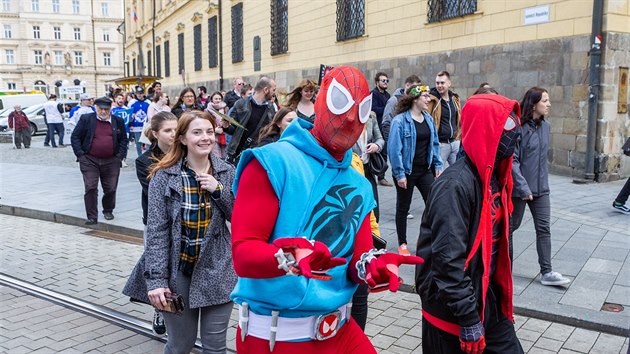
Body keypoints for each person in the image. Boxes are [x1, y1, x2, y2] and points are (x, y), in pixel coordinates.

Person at [230, 66, 423, 353]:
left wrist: (374, 267)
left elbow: (358, 259)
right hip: (276, 337)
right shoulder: (271, 163)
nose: (348, 117)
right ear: (321, 101)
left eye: (360, 109)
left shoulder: (359, 183)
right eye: (340, 101)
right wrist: (289, 257)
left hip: (339, 331)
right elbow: (244, 254)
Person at [416, 93, 524, 354]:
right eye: (505, 125)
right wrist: (468, 317)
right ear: (487, 129)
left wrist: (499, 305)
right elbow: (447, 259)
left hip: (485, 300)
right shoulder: (454, 186)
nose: (514, 134)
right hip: (451, 310)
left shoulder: (494, 178)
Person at [137, 110, 236, 354]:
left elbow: (239, 217)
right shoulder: (163, 176)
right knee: (181, 344)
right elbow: (157, 233)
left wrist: (218, 189)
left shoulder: (226, 171)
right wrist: (157, 281)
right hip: (178, 272)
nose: (205, 138)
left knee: (215, 347)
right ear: (182, 138)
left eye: (210, 132)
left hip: (218, 269)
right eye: (197, 132)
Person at [124, 111, 178, 337]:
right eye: (167, 130)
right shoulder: (144, 161)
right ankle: (159, 308)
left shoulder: (186, 152)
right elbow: (158, 194)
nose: (174, 134)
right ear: (155, 134)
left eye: (177, 129)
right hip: (157, 223)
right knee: (158, 265)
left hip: (185, 221)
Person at [510, 87, 570, 286]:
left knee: (544, 229)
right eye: (545, 100)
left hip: (541, 189)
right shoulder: (518, 127)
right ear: (534, 104)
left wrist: (541, 185)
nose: (549, 104)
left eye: (548, 100)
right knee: (510, 227)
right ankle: (503, 267)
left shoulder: (546, 127)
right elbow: (513, 161)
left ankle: (547, 272)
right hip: (520, 190)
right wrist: (523, 187)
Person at [388, 85, 442, 256]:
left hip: (425, 170)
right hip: (407, 171)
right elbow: (394, 150)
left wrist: (438, 165)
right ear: (415, 99)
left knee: (433, 204)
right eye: (425, 96)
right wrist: (399, 174)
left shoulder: (428, 118)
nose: (428, 99)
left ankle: (424, 239)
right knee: (403, 207)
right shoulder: (400, 121)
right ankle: (402, 243)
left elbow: (434, 144)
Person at [70, 97, 128, 225]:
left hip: (112, 160)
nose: (103, 112)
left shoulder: (117, 121)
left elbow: (124, 139)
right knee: (90, 187)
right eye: (100, 109)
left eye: (106, 109)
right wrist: (80, 155)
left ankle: (108, 209)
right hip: (90, 159)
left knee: (111, 188)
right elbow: (75, 137)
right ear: (95, 108)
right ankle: (92, 216)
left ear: (110, 109)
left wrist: (120, 156)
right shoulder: (86, 119)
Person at [224, 77, 276, 165]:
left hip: (258, 156)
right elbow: (232, 130)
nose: (274, 93)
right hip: (238, 154)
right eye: (273, 90)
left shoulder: (271, 108)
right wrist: (226, 126)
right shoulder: (241, 103)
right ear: (266, 90)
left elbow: (272, 133)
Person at [352, 111, 385, 221]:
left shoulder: (371, 117)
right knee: (356, 206)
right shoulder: (347, 119)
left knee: (374, 206)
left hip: (368, 168)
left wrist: (376, 146)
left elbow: (380, 139)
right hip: (353, 170)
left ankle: (375, 235)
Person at [427, 70, 462, 169]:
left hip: (454, 142)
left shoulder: (454, 99)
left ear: (449, 83)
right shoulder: (432, 100)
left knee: (457, 172)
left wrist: (458, 137)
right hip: (440, 145)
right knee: (438, 175)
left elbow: (458, 118)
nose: (439, 85)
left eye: (442, 83)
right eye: (437, 83)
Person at [206, 91, 228, 158]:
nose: (218, 100)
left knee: (225, 157)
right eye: (216, 99)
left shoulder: (225, 108)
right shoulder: (207, 111)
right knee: (216, 157)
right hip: (213, 136)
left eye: (219, 98)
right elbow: (206, 125)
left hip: (224, 135)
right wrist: (214, 130)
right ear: (212, 99)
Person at [130, 86, 150, 157]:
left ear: (143, 94)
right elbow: (129, 114)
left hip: (145, 125)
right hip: (136, 126)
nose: (139, 95)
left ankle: (146, 156)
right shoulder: (132, 102)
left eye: (141, 93)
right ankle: (140, 156)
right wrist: (130, 124)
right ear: (136, 94)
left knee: (147, 142)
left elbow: (150, 114)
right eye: (138, 93)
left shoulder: (148, 102)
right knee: (138, 142)